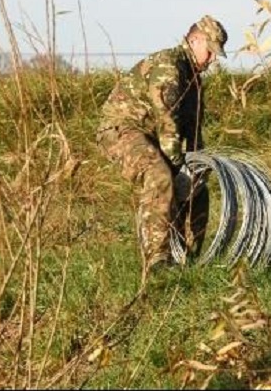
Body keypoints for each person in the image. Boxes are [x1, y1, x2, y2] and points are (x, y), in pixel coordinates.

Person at [96, 15, 228, 283]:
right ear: (195, 40)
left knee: (197, 185)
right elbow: (167, 119)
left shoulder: (194, 79)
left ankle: (188, 259)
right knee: (159, 176)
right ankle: (158, 261)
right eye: (211, 51)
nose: (213, 59)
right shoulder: (171, 66)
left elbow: (192, 130)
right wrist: (176, 163)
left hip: (152, 136)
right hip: (123, 130)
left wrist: (194, 167)